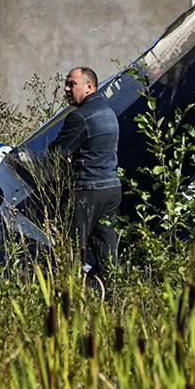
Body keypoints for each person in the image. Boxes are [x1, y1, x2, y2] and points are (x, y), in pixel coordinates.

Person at [49, 67, 121, 283]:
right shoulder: (108, 112)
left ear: (89, 86)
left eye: (72, 84)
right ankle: (112, 292)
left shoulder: (80, 117)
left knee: (72, 248)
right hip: (111, 188)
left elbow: (56, 153)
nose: (66, 89)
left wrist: (65, 155)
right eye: (66, 84)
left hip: (88, 190)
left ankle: (73, 291)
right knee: (107, 251)